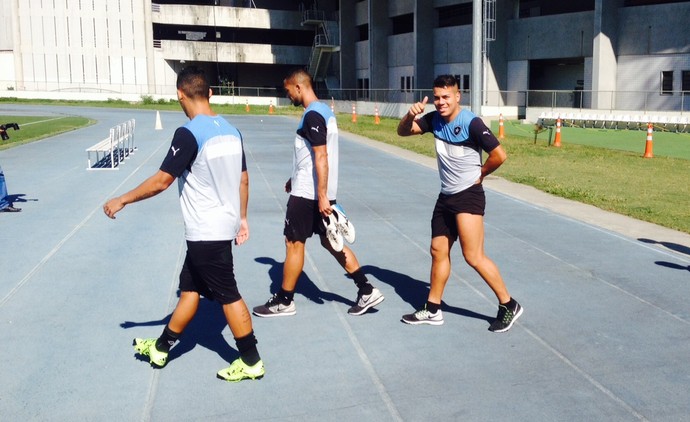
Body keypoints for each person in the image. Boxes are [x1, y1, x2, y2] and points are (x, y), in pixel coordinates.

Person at [103, 66, 264, 382]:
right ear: (210, 93)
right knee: (190, 290)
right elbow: (244, 179)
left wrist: (122, 199)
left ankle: (251, 359)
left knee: (228, 294)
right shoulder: (232, 130)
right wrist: (242, 217)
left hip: (207, 231)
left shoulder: (188, 133)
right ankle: (162, 347)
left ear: (179, 94)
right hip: (220, 226)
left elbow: (162, 181)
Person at [252, 68, 384, 317]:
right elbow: (312, 156)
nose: (288, 96)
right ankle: (366, 289)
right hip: (316, 191)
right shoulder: (324, 112)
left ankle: (284, 300)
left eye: (288, 91)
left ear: (299, 87)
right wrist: (297, 178)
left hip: (309, 195)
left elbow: (321, 155)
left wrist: (321, 195)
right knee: (329, 241)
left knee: (293, 243)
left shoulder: (312, 115)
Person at [397, 74, 523, 332]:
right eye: (436, 97)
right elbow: (403, 132)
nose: (440, 102)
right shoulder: (433, 119)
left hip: (468, 195)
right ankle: (432, 309)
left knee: (473, 256)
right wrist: (410, 115)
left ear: (457, 96)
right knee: (437, 250)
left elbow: (499, 155)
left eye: (446, 97)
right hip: (446, 197)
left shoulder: (471, 123)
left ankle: (508, 304)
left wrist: (481, 174)